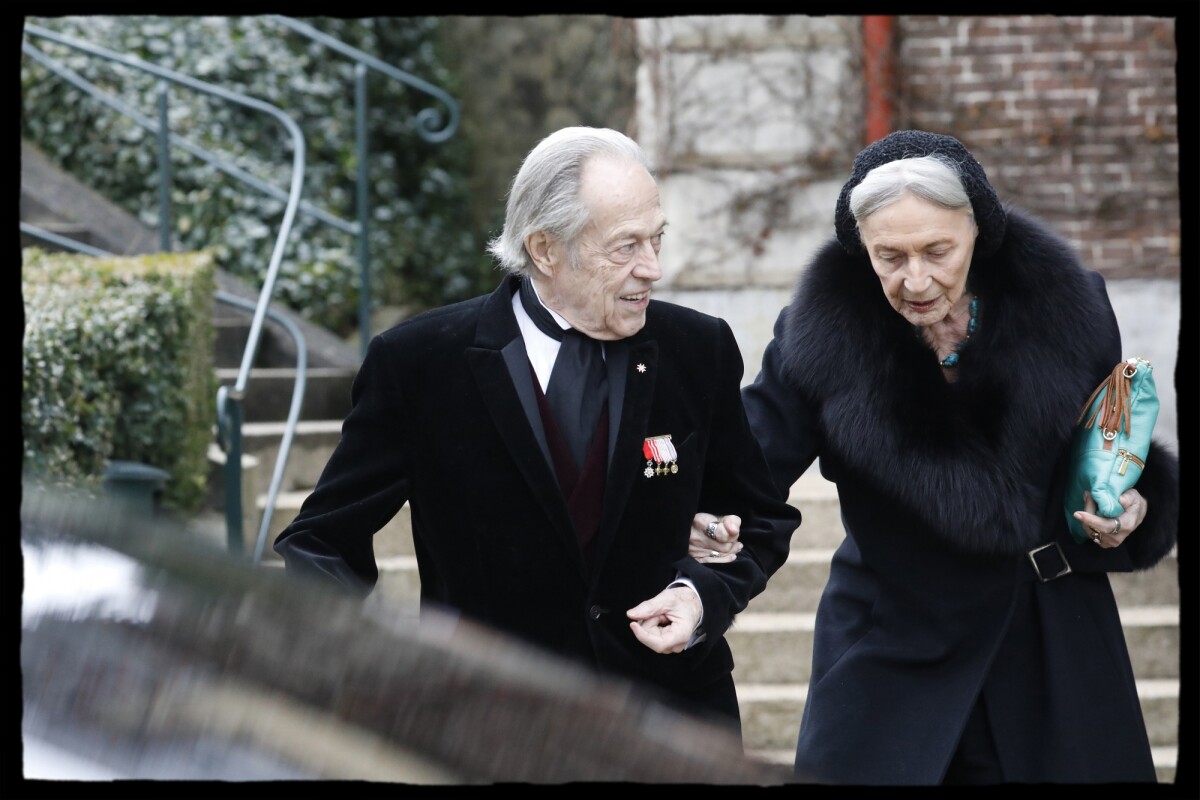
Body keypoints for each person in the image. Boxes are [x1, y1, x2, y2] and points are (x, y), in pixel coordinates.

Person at [273, 126, 801, 742]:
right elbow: (321, 541)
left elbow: (761, 519)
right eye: (625, 246)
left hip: (673, 723)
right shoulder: (420, 362)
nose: (652, 268)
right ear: (546, 249)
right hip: (486, 728)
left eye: (656, 238)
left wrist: (701, 594)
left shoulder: (698, 348)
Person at [691, 129, 1180, 784]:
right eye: (888, 256)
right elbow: (744, 470)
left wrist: (1134, 506)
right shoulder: (822, 339)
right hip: (893, 651)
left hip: (1054, 647)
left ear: (978, 233)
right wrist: (697, 525)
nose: (915, 280)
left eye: (937, 251)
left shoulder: (1069, 305)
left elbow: (1111, 450)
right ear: (860, 249)